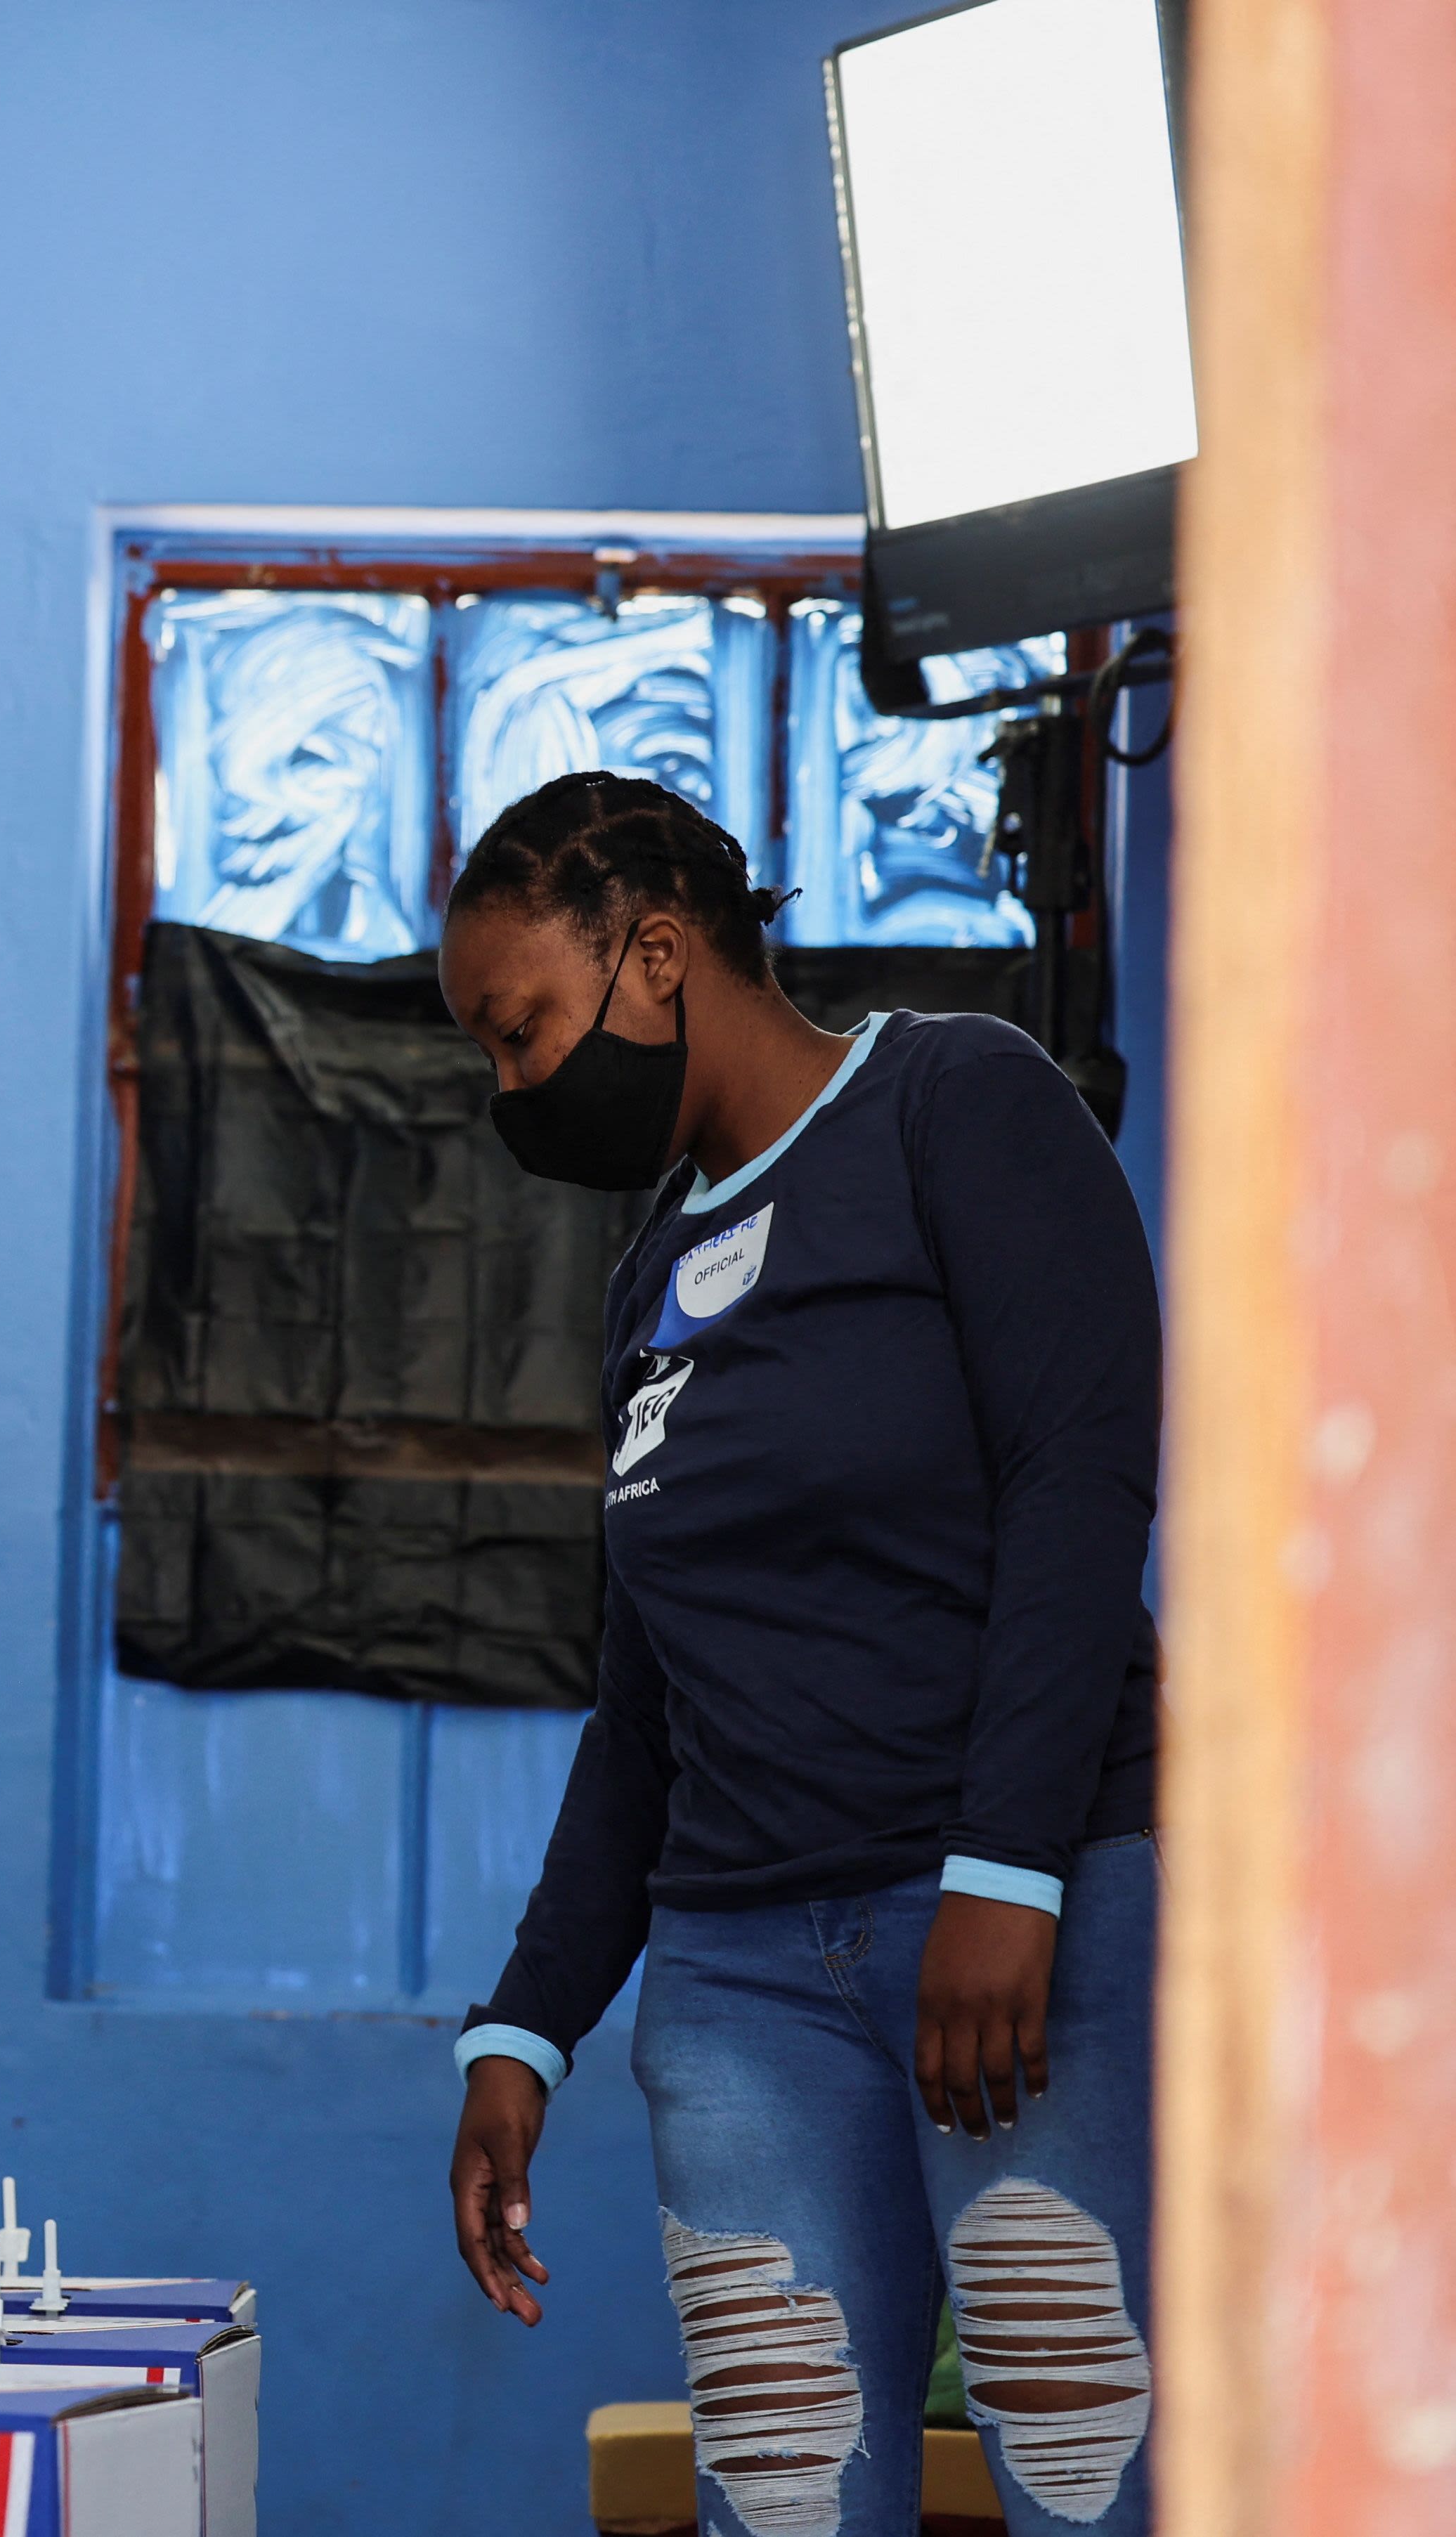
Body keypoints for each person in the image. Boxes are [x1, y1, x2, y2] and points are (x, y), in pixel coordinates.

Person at [436, 774, 1161, 2537]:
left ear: (658, 954)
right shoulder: (651, 1275)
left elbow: (1077, 1488)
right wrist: (521, 2026)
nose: (509, 1086)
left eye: (521, 1030)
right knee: (782, 2496)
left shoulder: (954, 1098)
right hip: (740, 1979)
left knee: (1082, 2473)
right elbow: (647, 1696)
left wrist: (1004, 1869)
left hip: (1008, 1919)